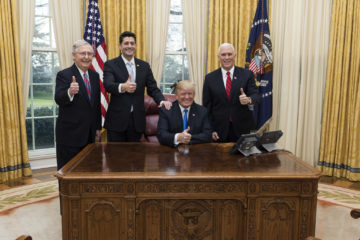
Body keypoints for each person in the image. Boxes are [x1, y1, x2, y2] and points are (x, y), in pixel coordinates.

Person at [104, 31, 172, 142]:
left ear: (135, 46)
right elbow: (108, 85)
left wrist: (161, 101)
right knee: (114, 157)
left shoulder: (144, 66)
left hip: (137, 121)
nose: (129, 46)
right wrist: (123, 87)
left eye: (132, 43)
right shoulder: (111, 64)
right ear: (120, 46)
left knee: (136, 157)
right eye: (126, 43)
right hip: (116, 121)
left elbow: (152, 88)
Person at [55, 40, 101, 170]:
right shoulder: (64, 75)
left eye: (89, 54)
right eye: (82, 53)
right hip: (70, 135)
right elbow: (58, 98)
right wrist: (70, 92)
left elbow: (96, 104)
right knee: (68, 171)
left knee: (89, 169)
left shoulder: (95, 76)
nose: (86, 57)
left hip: (90, 135)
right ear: (74, 55)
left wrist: (97, 128)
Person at [203, 43, 260, 142]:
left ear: (235, 56)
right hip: (219, 130)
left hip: (243, 129)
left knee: (244, 157)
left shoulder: (247, 74)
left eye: (229, 54)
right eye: (223, 55)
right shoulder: (209, 78)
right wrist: (211, 129)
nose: (227, 57)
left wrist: (248, 100)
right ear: (218, 57)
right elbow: (207, 107)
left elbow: (256, 96)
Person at [157, 80, 212, 147]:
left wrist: (189, 138)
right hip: (171, 152)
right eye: (183, 94)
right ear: (176, 96)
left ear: (194, 95)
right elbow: (161, 135)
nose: (187, 97)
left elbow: (208, 135)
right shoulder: (166, 111)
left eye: (190, 93)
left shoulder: (202, 111)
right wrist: (178, 137)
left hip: (195, 153)